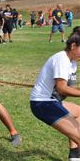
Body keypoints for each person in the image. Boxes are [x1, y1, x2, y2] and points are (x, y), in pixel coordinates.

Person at [30, 28, 80, 160]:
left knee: (78, 112)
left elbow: (72, 88)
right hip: (42, 104)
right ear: (73, 45)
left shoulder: (72, 62)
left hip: (53, 101)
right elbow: (62, 89)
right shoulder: (61, 59)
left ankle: (74, 155)